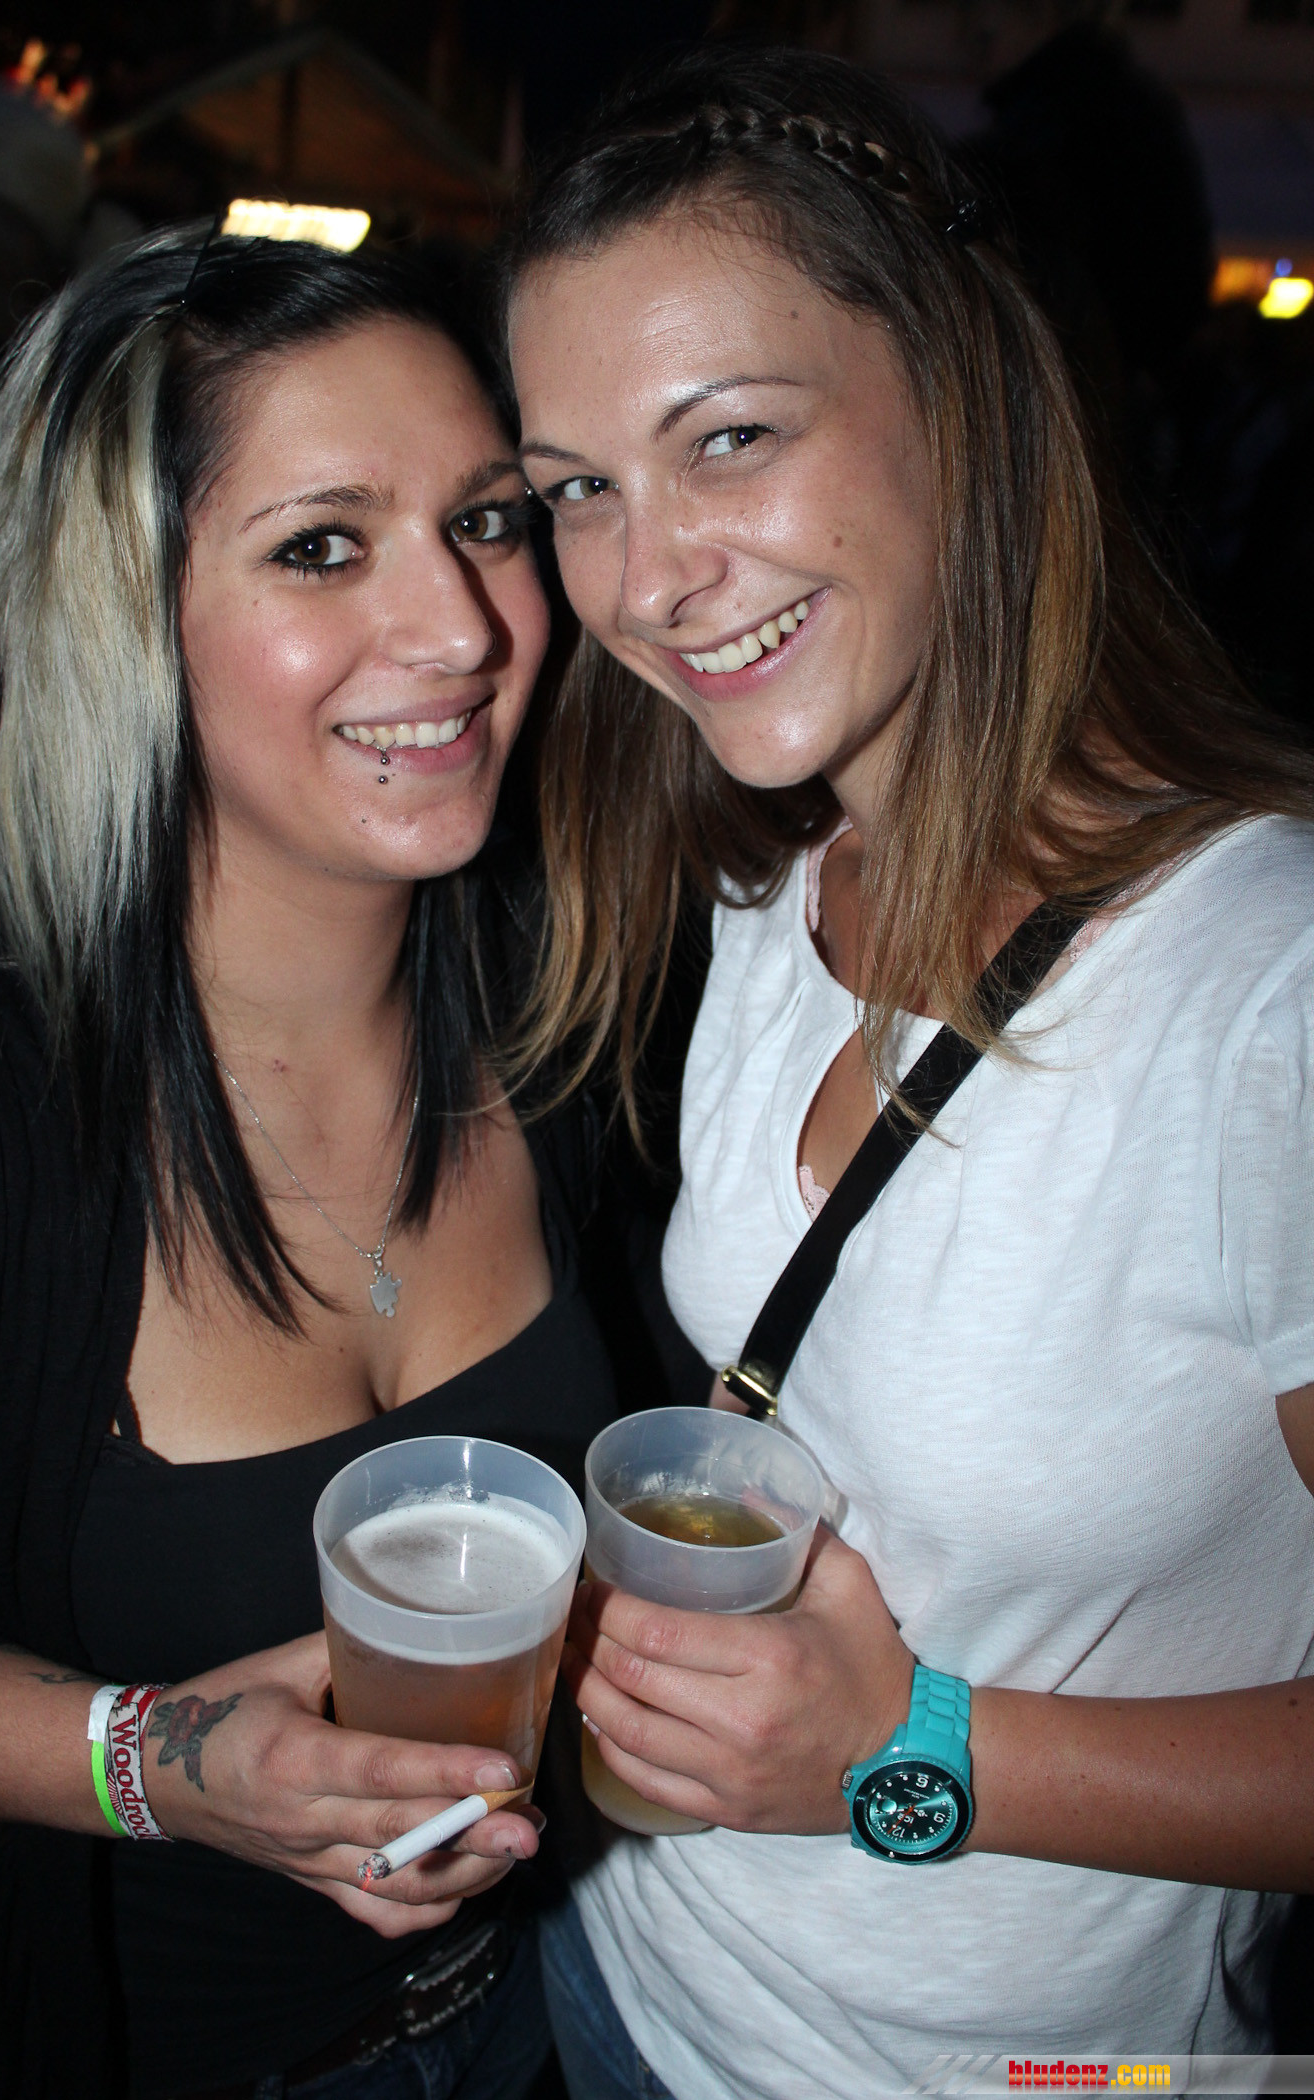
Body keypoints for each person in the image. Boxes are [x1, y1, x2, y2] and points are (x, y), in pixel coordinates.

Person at [500, 45, 1314, 2100]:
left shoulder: (1266, 1002)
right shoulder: (765, 889)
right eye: (580, 487)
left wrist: (905, 1749)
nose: (645, 579)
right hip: (621, 1974)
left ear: (959, 392)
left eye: (729, 438)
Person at [0, 223, 618, 2099]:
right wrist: (151, 1763)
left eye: (485, 520)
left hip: (554, 2022)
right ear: (120, 616)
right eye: (322, 545)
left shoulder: (573, 1028)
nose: (463, 627)